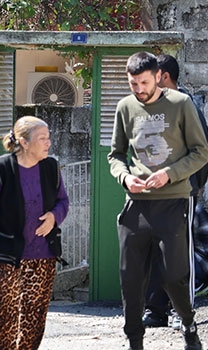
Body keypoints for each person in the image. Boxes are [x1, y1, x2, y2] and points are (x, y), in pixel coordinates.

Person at [107, 51, 208, 350]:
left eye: (143, 82)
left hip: (174, 202)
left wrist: (170, 174)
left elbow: (201, 152)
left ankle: (188, 324)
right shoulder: (125, 107)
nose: (138, 89)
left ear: (159, 77)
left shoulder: (181, 104)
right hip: (136, 204)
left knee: (174, 277)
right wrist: (125, 177)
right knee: (130, 278)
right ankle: (134, 341)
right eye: (133, 83)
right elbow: (116, 155)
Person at [0, 116, 69, 349]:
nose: (48, 143)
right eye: (42, 138)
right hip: (7, 256)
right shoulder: (0, 169)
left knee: (34, 318)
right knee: (6, 315)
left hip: (42, 256)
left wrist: (54, 217)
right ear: (24, 142)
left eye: (48, 137)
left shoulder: (51, 168)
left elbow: (63, 201)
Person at [142, 54, 208, 331]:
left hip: (183, 192)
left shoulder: (188, 106)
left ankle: (185, 313)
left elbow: (202, 152)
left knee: (181, 253)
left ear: (164, 77)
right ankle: (156, 310)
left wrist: (192, 186)